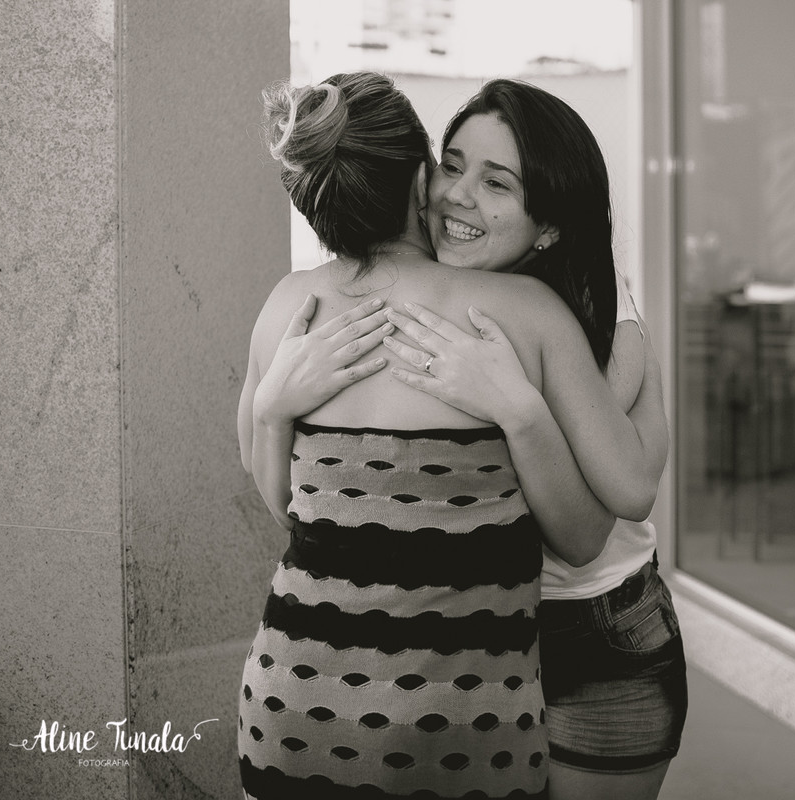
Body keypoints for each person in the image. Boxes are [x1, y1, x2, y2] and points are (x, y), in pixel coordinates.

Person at [249, 79, 687, 800]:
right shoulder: (517, 307)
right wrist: (274, 409)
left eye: (497, 184)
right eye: (452, 166)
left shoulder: (586, 299)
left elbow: (626, 494)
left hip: (585, 626)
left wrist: (521, 405)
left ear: (548, 226)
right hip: (466, 672)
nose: (458, 196)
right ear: (419, 176)